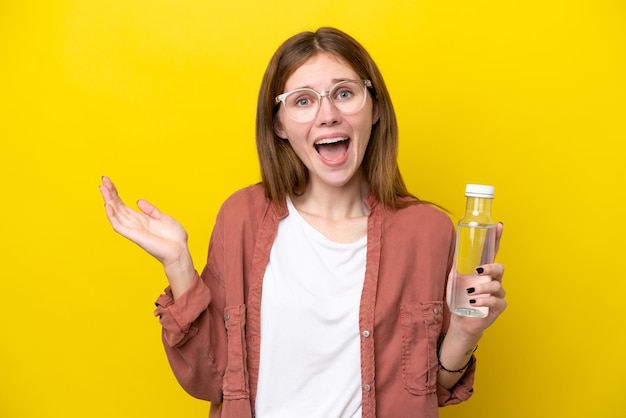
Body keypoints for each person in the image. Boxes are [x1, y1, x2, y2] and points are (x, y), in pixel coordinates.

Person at [99, 27, 506, 418]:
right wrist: (178, 265)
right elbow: (210, 380)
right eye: (303, 100)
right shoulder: (241, 218)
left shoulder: (428, 232)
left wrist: (466, 334)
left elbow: (427, 391)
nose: (328, 114)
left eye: (344, 93)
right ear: (279, 124)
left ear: (375, 108)